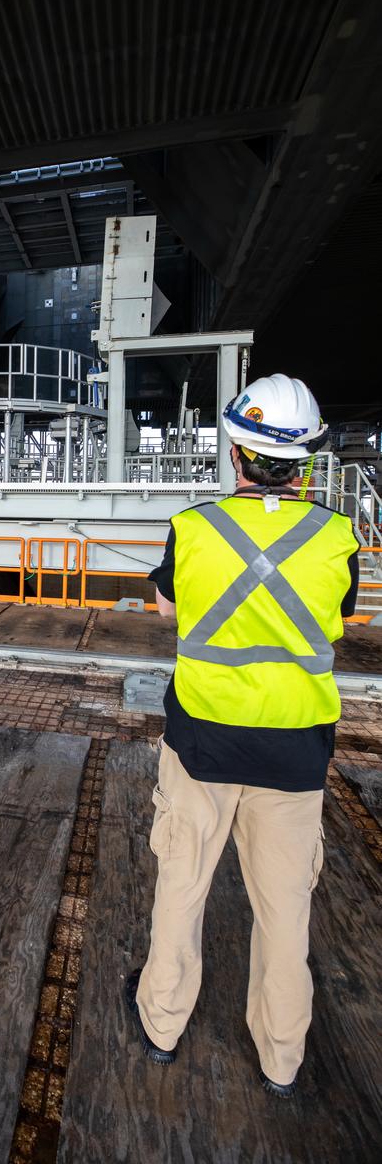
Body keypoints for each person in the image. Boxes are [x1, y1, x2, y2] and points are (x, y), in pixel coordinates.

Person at [127, 374, 359, 1097]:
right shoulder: (336, 534)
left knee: (181, 884)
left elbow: (166, 609)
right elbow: (341, 618)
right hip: (293, 750)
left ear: (234, 453)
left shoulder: (192, 528)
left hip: (201, 743)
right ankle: (280, 1055)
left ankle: (163, 1024)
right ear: (306, 463)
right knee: (284, 908)